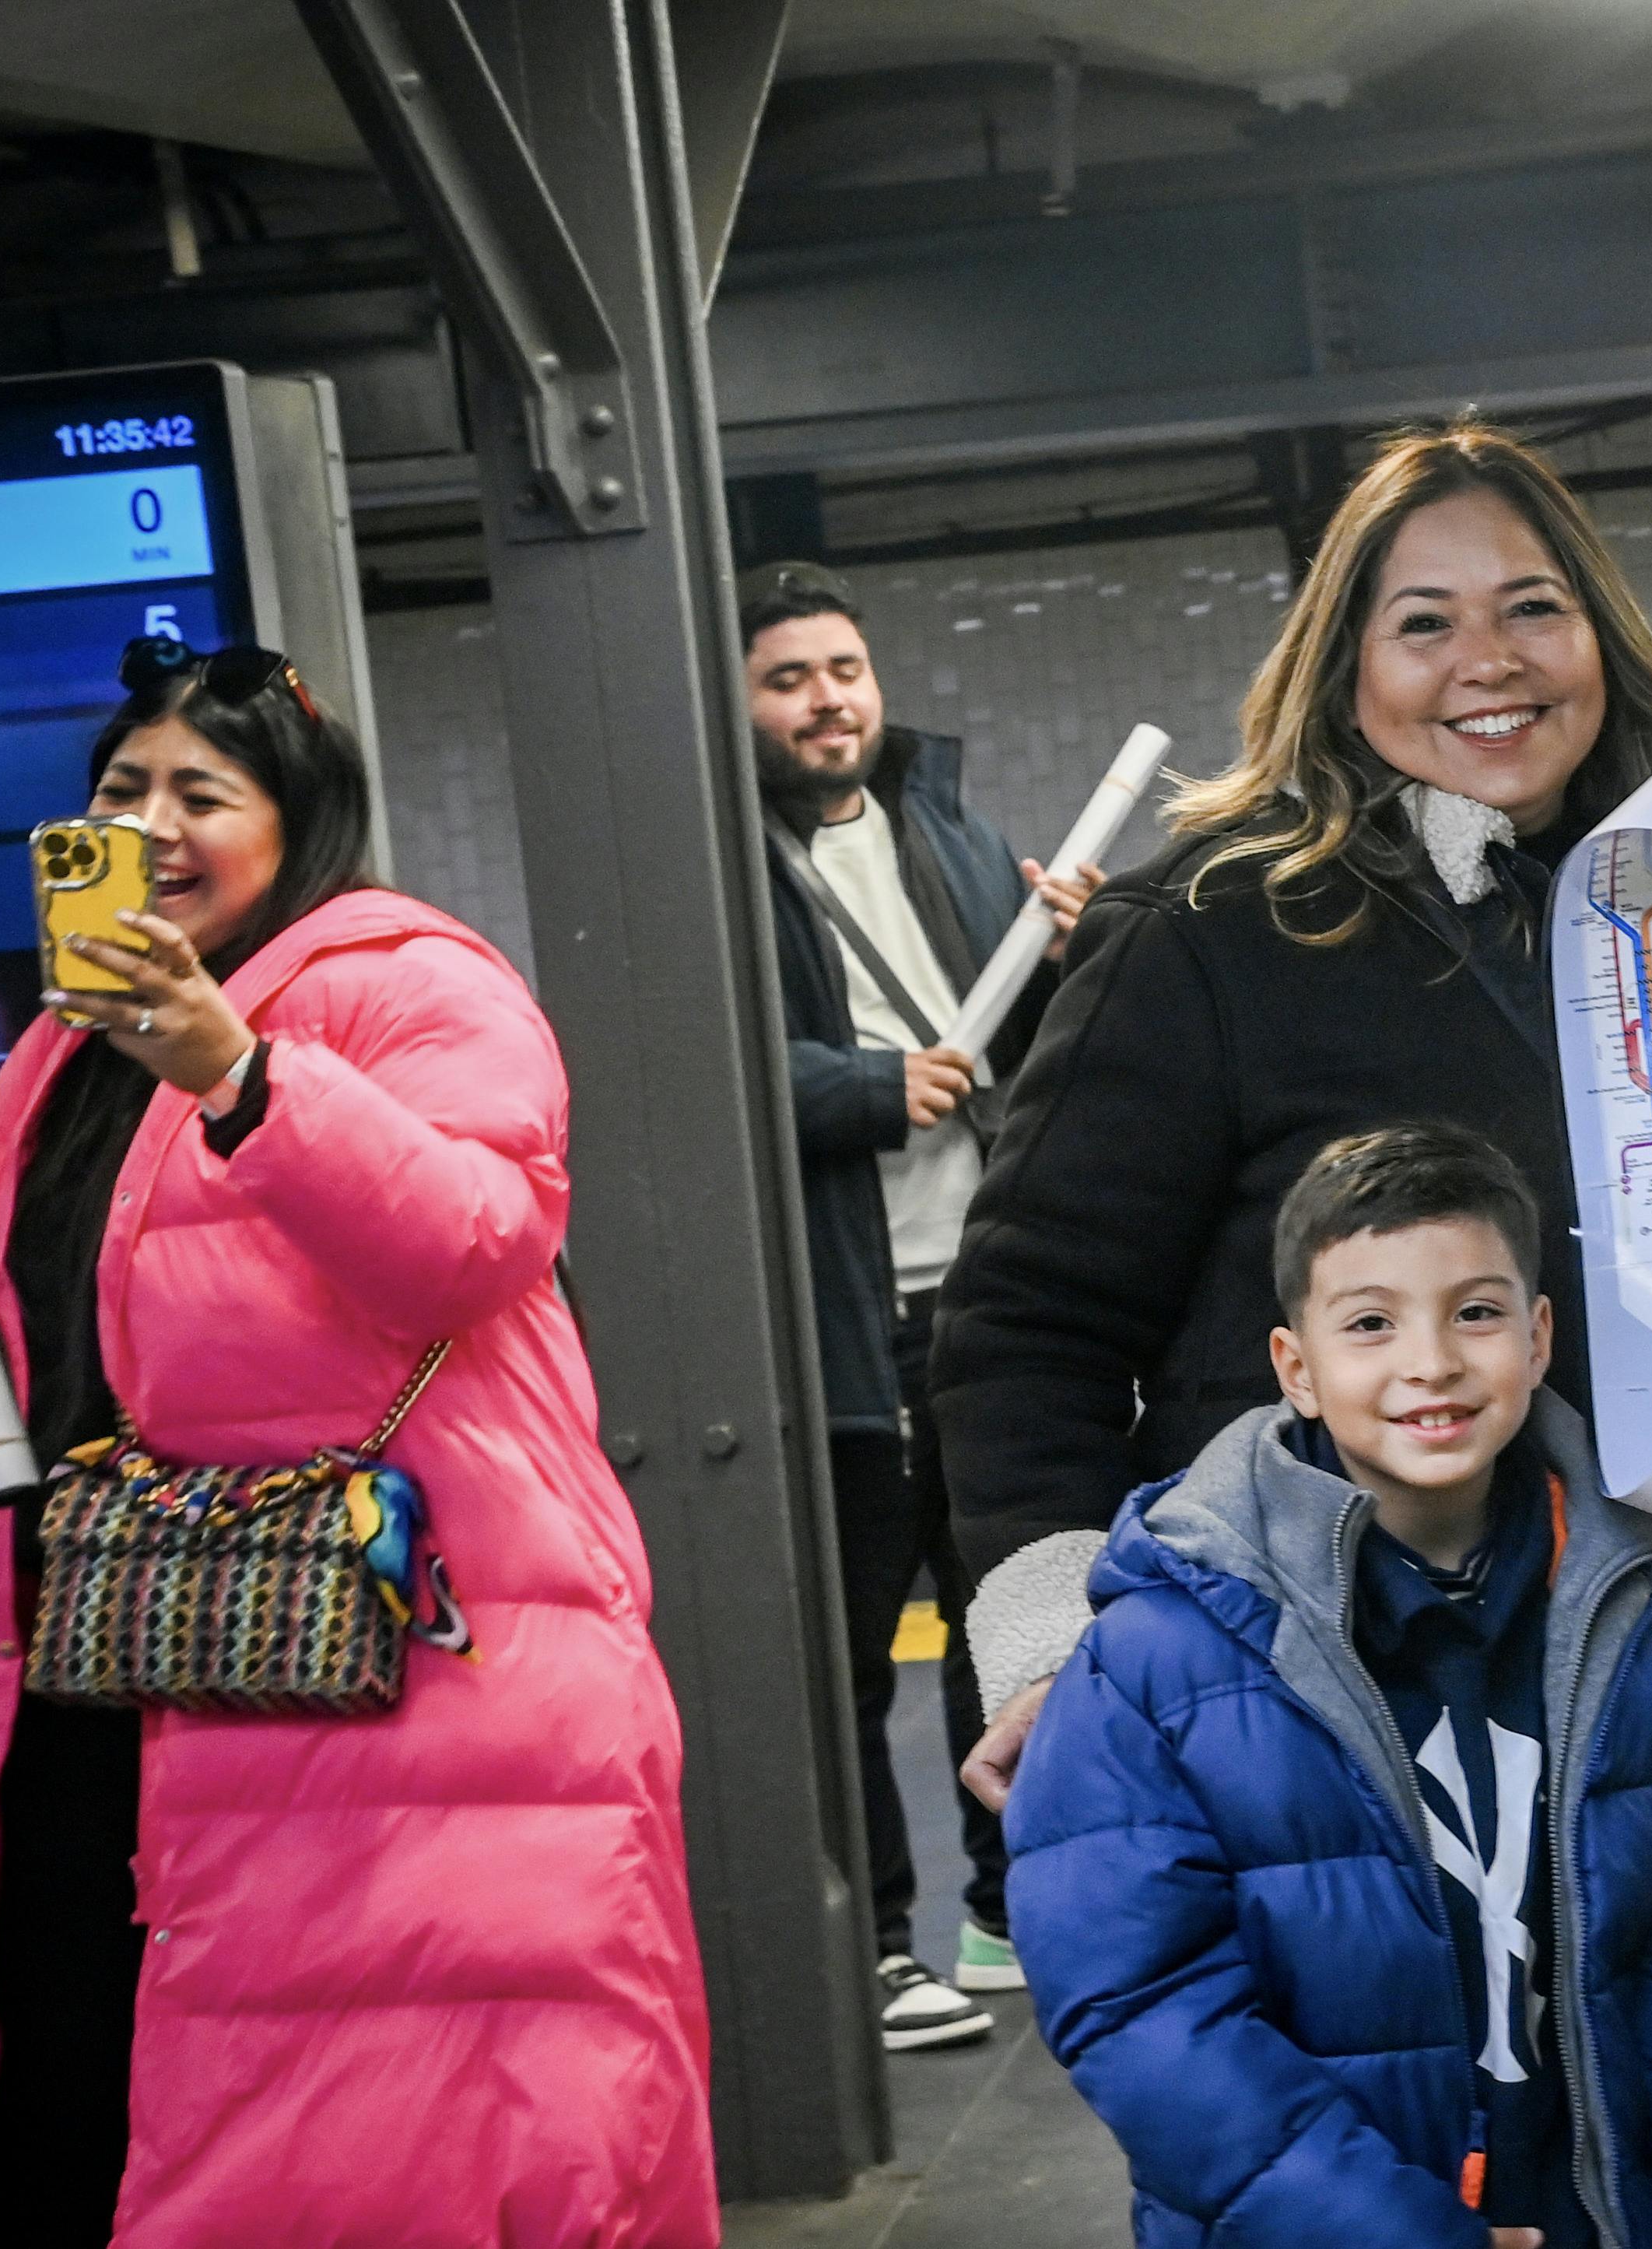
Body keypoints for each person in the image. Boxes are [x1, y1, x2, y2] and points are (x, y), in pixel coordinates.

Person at [935, 421, 1652, 1853]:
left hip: (1649, 1694)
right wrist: (1044, 1650)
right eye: (1424, 624)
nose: (1492, 659)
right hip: (1316, 1697)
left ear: (1600, 635)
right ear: (1346, 670)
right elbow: (1026, 1329)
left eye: (1534, 606)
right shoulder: (1207, 934)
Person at [0, 638, 714, 2247]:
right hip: (108, 1679)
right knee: (86, 2092)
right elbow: (57, 1338)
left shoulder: (409, 978)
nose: (149, 823)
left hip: (390, 1691)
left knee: (377, 2134)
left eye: (198, 792)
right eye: (118, 790)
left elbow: (476, 1236)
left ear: (295, 819)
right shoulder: (66, 1042)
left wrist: (242, 1074)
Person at [1004, 1121, 1652, 2249]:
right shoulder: (1159, 1654)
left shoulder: (1630, 1615)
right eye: (1370, 1323)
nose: (1432, 1362)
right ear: (1295, 1368)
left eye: (1476, 1310)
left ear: (1540, 1334)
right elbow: (1144, 2014)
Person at [742, 558, 1096, 2047]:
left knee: (997, 1614)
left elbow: (1026, 1037)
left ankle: (1007, 1909)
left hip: (981, 1291)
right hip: (836, 1311)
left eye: (843, 668)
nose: (828, 699)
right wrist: (858, 1088)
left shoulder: (943, 823)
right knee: (839, 1647)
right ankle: (875, 1941)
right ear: (738, 707)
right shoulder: (716, 865)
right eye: (788, 677)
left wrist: (1064, 946)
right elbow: (702, 1060)